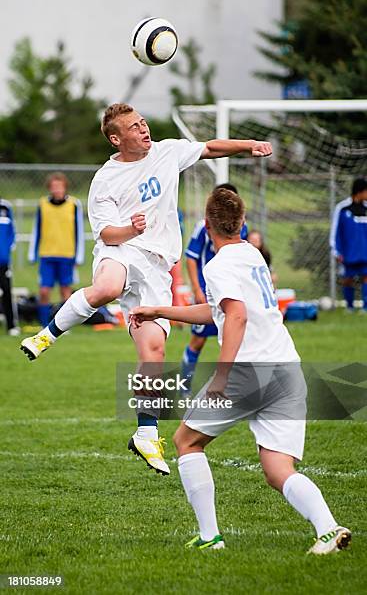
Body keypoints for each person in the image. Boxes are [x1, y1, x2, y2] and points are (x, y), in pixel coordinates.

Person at [21, 102, 272, 476]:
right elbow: (106, 233)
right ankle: (49, 333)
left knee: (154, 352)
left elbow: (209, 147)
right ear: (115, 138)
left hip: (157, 268)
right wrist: (131, 230)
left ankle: (145, 432)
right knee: (106, 288)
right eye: (134, 128)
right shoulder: (105, 179)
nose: (143, 130)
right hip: (121, 249)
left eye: (142, 123)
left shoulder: (167, 151)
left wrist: (246, 144)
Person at [130, 188, 351, 555]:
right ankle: (328, 528)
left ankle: (209, 536)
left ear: (206, 226)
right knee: (277, 468)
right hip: (285, 369)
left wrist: (221, 375)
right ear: (243, 224)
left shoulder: (216, 265)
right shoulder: (252, 255)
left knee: (187, 441)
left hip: (248, 372)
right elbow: (219, 310)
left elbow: (235, 315)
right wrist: (161, 310)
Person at [181, 183, 247, 393]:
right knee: (198, 341)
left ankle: (236, 385)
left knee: (236, 338)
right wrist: (197, 289)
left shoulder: (241, 228)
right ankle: (185, 386)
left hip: (230, 293)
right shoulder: (204, 227)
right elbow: (191, 258)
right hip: (207, 291)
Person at [28, 173, 85, 327]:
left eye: (59, 186)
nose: (57, 190)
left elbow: (79, 231)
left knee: (65, 292)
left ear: (65, 187)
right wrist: (32, 253)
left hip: (67, 255)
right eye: (54, 187)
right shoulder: (42, 204)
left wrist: (78, 256)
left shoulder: (74, 204)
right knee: (44, 291)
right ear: (49, 188)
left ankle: (63, 325)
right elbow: (36, 229)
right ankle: (43, 324)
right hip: (47, 255)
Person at [330, 177, 367, 312]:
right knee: (347, 279)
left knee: (366, 277)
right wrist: (336, 250)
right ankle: (349, 307)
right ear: (360, 192)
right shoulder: (342, 208)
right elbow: (335, 231)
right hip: (348, 253)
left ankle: (365, 307)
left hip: (365, 252)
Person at [0, 198, 19, 336]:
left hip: (3, 261)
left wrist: (6, 251)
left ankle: (11, 325)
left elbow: (12, 233)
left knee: (6, 290)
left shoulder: (5, 207)